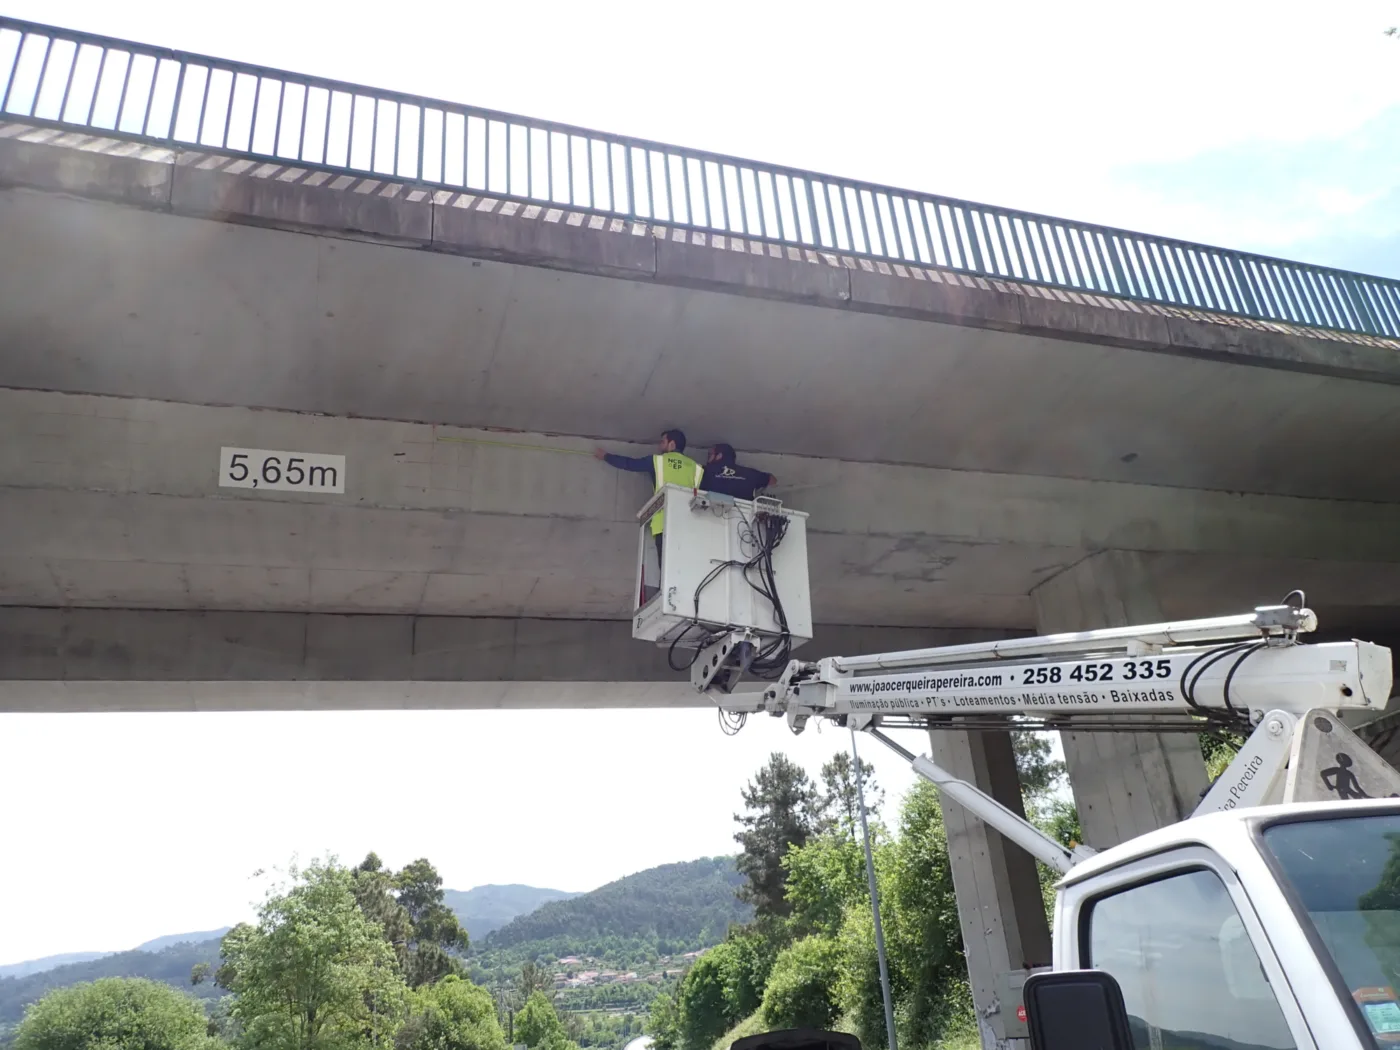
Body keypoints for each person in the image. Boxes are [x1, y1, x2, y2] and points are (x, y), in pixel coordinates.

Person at [594, 429, 703, 570]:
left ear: (672, 444)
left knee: (666, 569)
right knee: (685, 567)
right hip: (688, 525)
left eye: (663, 442)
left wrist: (606, 456)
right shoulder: (696, 468)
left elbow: (629, 464)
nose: (659, 446)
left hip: (663, 524)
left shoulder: (658, 461)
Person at [701, 443, 777, 501]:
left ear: (719, 455)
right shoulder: (749, 473)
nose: (708, 457)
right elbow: (773, 480)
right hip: (743, 513)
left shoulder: (704, 471)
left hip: (707, 510)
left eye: (710, 454)